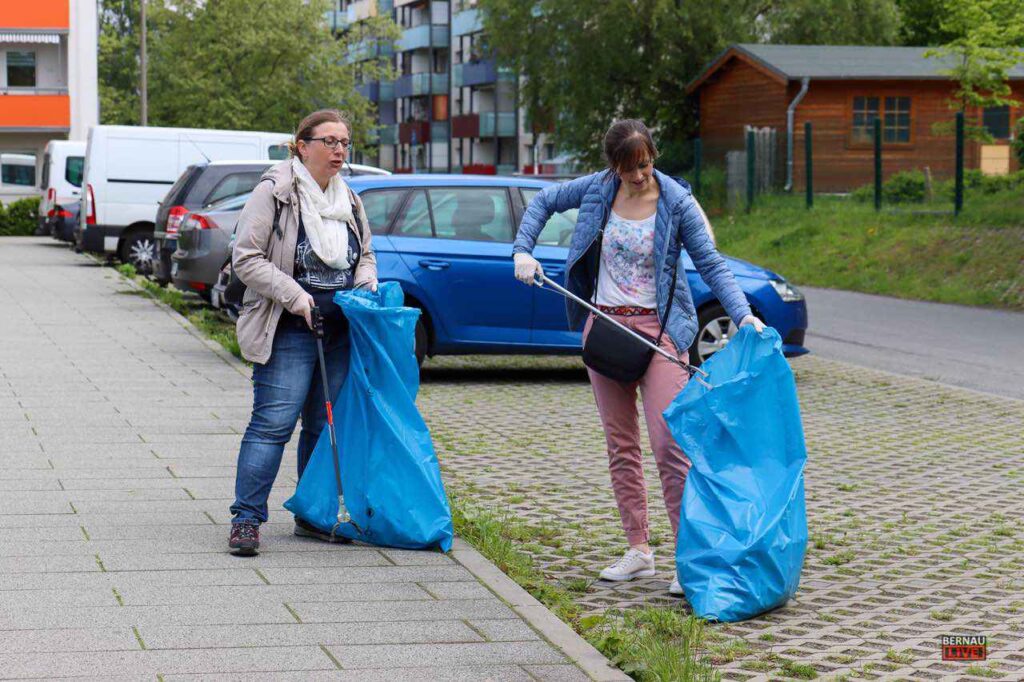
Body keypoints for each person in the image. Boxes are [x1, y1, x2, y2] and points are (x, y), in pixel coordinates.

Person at [512, 119, 764, 595]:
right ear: (614, 167)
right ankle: (639, 551)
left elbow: (710, 262)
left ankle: (690, 558)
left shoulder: (676, 201)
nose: (642, 175)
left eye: (647, 163)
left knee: (670, 446)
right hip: (605, 327)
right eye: (631, 170)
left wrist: (744, 315)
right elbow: (543, 201)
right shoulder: (596, 190)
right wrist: (522, 250)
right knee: (621, 446)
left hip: (660, 331)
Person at [228, 109, 377, 555]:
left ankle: (312, 516)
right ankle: (246, 520)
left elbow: (364, 253)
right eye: (329, 141)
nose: (339, 150)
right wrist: (296, 297)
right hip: (289, 328)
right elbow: (247, 258)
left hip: (338, 332)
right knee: (273, 424)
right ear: (302, 145)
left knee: (320, 425)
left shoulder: (348, 198)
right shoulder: (275, 192)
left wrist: (366, 282)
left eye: (344, 143)